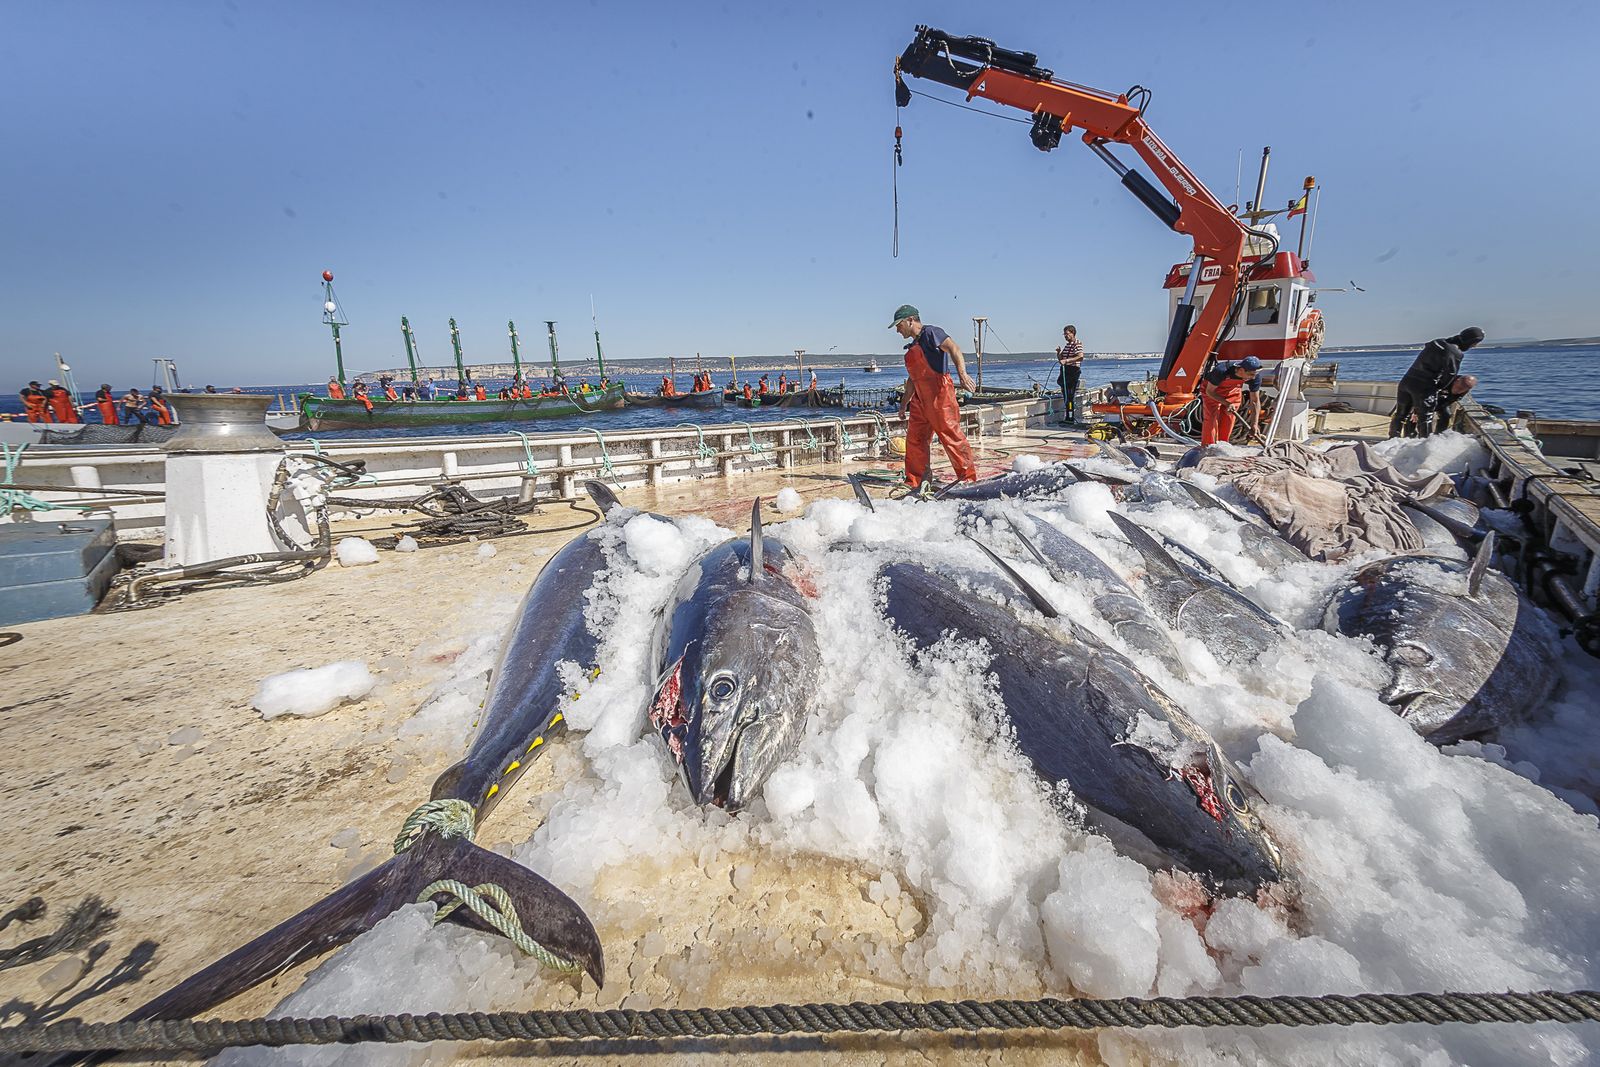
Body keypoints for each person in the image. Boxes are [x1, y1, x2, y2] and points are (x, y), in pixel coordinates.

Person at [891, 304, 978, 492]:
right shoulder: (911, 348)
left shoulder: (931, 333)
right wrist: (903, 404)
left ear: (910, 320)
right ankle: (915, 480)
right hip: (919, 400)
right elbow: (912, 380)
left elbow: (954, 348)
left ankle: (968, 479)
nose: (897, 330)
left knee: (952, 437)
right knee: (915, 440)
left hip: (940, 395)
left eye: (899, 325)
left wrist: (962, 374)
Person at [1389, 327, 1484, 439]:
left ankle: (1392, 440)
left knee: (1401, 415)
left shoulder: (1438, 342)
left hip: (1407, 380)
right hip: (1424, 386)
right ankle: (1425, 446)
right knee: (1425, 417)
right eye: (1474, 344)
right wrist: (1437, 389)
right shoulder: (1455, 352)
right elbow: (1450, 375)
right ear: (1470, 341)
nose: (1474, 346)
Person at [1199, 356, 1262, 446]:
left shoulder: (1255, 377)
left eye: (1255, 374)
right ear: (1241, 370)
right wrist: (1227, 403)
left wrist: (1254, 424)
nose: (1253, 377)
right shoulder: (1221, 371)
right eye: (1251, 374)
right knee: (1211, 418)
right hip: (1212, 392)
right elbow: (1209, 391)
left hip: (1232, 391)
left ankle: (1222, 445)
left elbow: (1255, 401)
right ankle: (1208, 446)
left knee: (1229, 417)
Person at [1054, 324, 1084, 426]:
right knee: (1065, 394)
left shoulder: (1077, 343)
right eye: (1064, 334)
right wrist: (1058, 353)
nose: (1066, 336)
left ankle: (1070, 417)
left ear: (1073, 333)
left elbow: (1080, 357)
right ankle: (1068, 417)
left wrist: (1067, 360)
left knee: (1070, 395)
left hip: (1073, 370)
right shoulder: (1067, 345)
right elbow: (1060, 360)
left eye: (1067, 334)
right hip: (1066, 370)